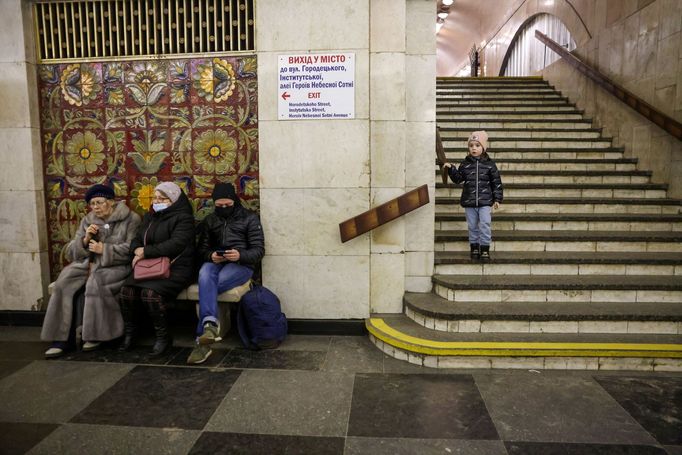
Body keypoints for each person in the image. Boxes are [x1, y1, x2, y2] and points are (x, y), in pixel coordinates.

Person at [41, 184, 141, 358]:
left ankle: (96, 335)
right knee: (63, 283)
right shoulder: (88, 219)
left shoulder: (131, 219)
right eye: (92, 203)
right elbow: (72, 252)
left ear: (111, 202)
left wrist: (106, 250)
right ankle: (61, 339)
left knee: (96, 283)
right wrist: (85, 239)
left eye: (99, 202)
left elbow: (133, 248)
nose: (95, 207)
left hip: (116, 266)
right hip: (87, 264)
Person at [187, 182, 265, 364]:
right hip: (217, 263)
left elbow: (259, 250)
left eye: (227, 205)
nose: (223, 208)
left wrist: (239, 255)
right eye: (219, 206)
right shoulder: (211, 220)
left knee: (209, 284)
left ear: (234, 201)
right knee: (205, 271)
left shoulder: (249, 219)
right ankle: (210, 326)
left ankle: (203, 341)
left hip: (241, 266)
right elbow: (202, 249)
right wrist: (210, 255)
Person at [118, 182, 196, 356]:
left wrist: (145, 252)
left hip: (176, 268)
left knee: (150, 294)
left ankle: (163, 338)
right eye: (155, 197)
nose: (157, 201)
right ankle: (131, 333)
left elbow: (176, 244)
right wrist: (136, 250)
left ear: (174, 200)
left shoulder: (184, 218)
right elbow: (137, 239)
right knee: (126, 291)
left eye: (163, 198)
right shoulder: (150, 216)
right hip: (149, 267)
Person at [443, 130, 503, 261]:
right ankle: (474, 247)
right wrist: (451, 169)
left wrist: (497, 199)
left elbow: (496, 182)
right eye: (471, 146)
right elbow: (458, 179)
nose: (474, 148)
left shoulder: (490, 165)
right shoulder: (465, 164)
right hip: (469, 201)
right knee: (472, 226)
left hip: (485, 202)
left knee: (485, 224)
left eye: (477, 145)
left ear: (483, 147)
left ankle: (485, 249)